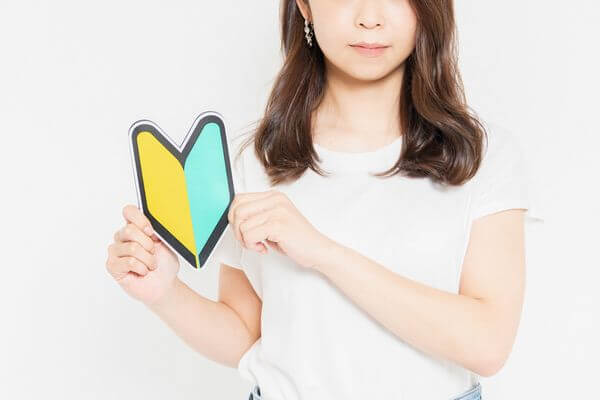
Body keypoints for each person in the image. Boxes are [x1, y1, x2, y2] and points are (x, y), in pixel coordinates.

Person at [105, 1, 544, 399]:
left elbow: (488, 344)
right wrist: (164, 293)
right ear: (305, 6)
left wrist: (322, 252)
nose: (370, 18)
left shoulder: (482, 157)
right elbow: (248, 336)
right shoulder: (257, 160)